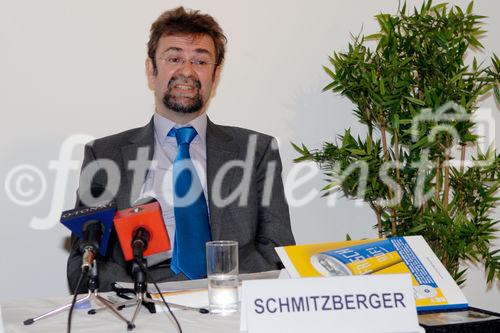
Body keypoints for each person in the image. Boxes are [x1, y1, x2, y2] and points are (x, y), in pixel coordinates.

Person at [67, 6, 295, 293]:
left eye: (200, 61)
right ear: (151, 70)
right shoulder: (105, 154)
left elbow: (277, 247)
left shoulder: (256, 150)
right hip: (142, 300)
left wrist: (219, 285)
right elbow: (85, 258)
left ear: (216, 75)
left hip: (229, 296)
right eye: (174, 58)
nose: (187, 71)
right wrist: (139, 290)